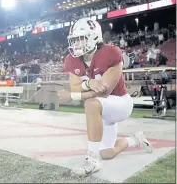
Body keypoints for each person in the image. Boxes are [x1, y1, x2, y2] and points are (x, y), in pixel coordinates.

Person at [58, 18, 153, 177]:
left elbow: (104, 92)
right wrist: (90, 84)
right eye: (74, 40)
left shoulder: (110, 52)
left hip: (121, 103)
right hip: (104, 110)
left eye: (81, 39)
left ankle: (91, 160)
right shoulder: (71, 59)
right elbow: (75, 85)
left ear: (94, 36)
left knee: (91, 104)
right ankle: (135, 140)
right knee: (107, 152)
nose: (76, 44)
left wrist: (73, 96)